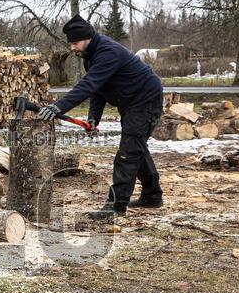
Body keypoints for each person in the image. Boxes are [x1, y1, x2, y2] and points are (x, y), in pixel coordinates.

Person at [38, 14, 164, 219]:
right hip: (131, 102)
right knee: (135, 145)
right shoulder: (91, 58)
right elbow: (97, 90)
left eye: (75, 43)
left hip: (144, 100)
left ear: (87, 38)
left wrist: (58, 107)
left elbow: (87, 86)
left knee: (128, 152)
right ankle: (152, 195)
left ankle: (115, 205)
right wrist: (93, 119)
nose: (72, 48)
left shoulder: (108, 52)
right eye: (70, 44)